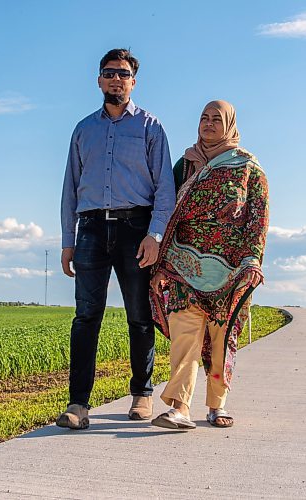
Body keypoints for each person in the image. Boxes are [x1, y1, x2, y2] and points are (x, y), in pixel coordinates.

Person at [56, 49, 176, 429]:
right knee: (85, 317)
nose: (116, 79)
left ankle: (142, 393)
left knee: (140, 317)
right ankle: (78, 405)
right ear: (98, 80)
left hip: (135, 230)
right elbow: (69, 189)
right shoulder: (83, 129)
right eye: (109, 73)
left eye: (123, 74)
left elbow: (165, 190)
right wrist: (67, 240)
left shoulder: (151, 127)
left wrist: (154, 235)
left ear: (133, 82)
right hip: (90, 229)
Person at [150, 100, 269, 430]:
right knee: (184, 337)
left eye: (217, 119)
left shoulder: (248, 168)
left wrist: (252, 260)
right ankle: (179, 407)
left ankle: (217, 404)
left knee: (221, 337)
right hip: (181, 263)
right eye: (204, 118)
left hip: (229, 271)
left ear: (229, 124)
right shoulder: (185, 166)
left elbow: (257, 218)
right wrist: (160, 263)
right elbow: (164, 209)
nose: (208, 124)